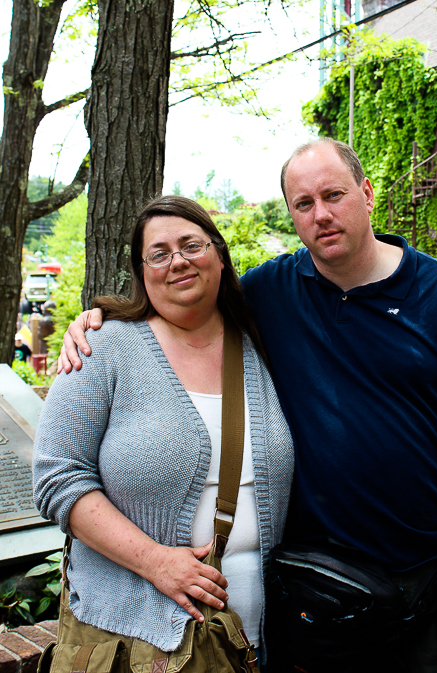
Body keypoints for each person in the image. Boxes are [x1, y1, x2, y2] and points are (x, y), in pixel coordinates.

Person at [59, 140, 437, 671]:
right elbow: (182, 298)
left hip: (428, 571)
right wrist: (94, 321)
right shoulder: (271, 291)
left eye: (333, 195)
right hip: (315, 586)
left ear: (367, 193)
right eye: (303, 204)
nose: (322, 215)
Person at [34, 196, 294, 659]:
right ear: (142, 271)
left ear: (218, 253)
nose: (177, 261)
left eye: (191, 245)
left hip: (256, 639)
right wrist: (156, 563)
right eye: (158, 253)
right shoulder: (103, 349)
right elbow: (57, 477)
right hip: (137, 642)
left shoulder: (260, 342)